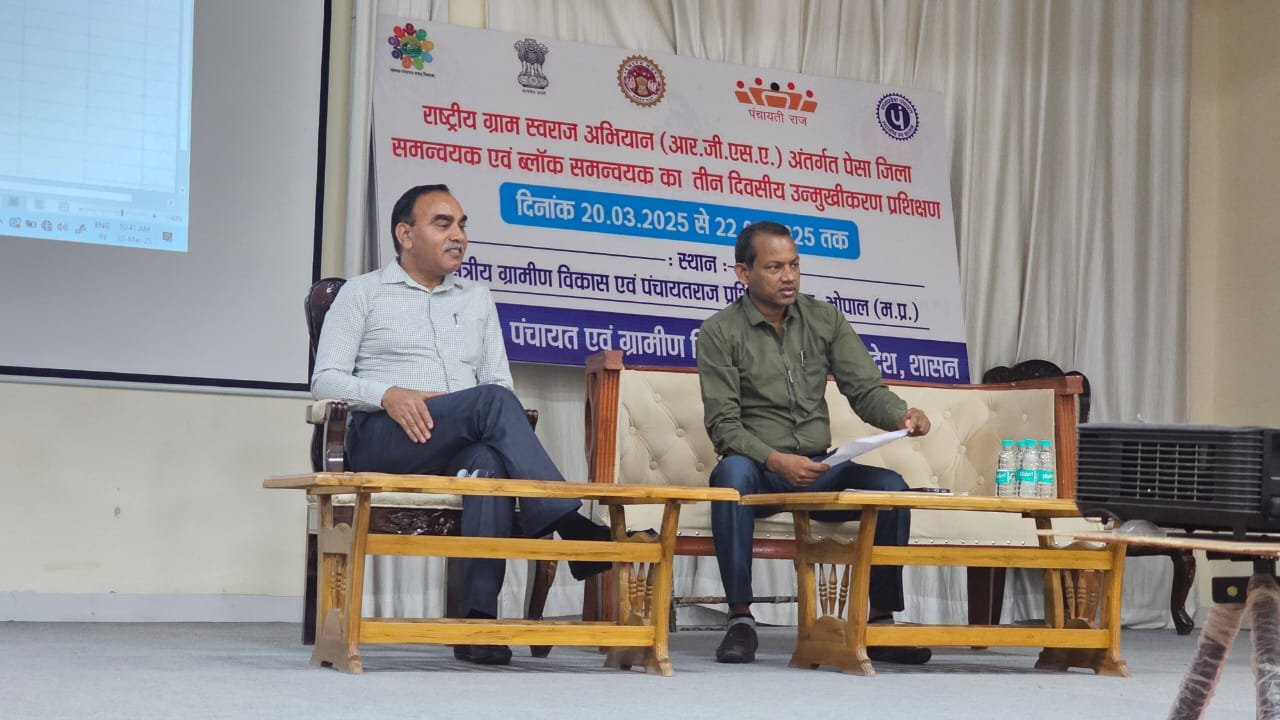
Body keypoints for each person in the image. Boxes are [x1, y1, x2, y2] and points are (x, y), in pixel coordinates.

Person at [311, 184, 609, 666]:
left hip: (455, 438)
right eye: (443, 224)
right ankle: (566, 520)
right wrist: (389, 394)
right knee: (491, 402)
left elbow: (498, 381)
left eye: (462, 225)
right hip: (386, 437)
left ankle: (478, 623)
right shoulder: (362, 293)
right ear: (405, 234)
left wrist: (464, 409)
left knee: (487, 463)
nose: (459, 235)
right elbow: (324, 379)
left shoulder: (476, 298)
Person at [696, 220, 934, 665]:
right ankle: (740, 618)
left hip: (820, 468)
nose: (788, 277)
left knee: (891, 488)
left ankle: (881, 621)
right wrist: (775, 459)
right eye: (774, 267)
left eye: (794, 265)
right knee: (730, 476)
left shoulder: (825, 319)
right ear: (743, 273)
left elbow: (865, 389)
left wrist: (902, 414)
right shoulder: (719, 331)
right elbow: (723, 425)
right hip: (759, 469)